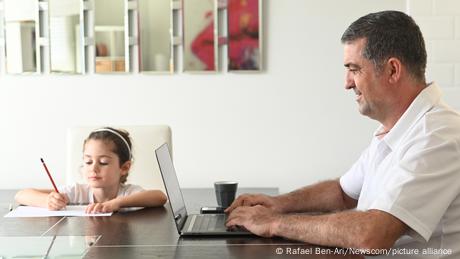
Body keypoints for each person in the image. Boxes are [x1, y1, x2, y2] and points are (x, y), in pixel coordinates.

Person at [225, 10, 460, 257]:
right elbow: (342, 192)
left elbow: (372, 236)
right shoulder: (397, 129)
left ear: (392, 70)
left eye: (354, 69)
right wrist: (278, 204)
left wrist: (273, 223)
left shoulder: (438, 136)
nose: (347, 83)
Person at [15, 127, 167, 214]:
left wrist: (117, 203)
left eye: (103, 162)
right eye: (88, 161)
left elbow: (160, 197)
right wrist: (47, 201)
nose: (93, 168)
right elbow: (21, 195)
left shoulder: (126, 193)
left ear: (124, 167)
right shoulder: (76, 191)